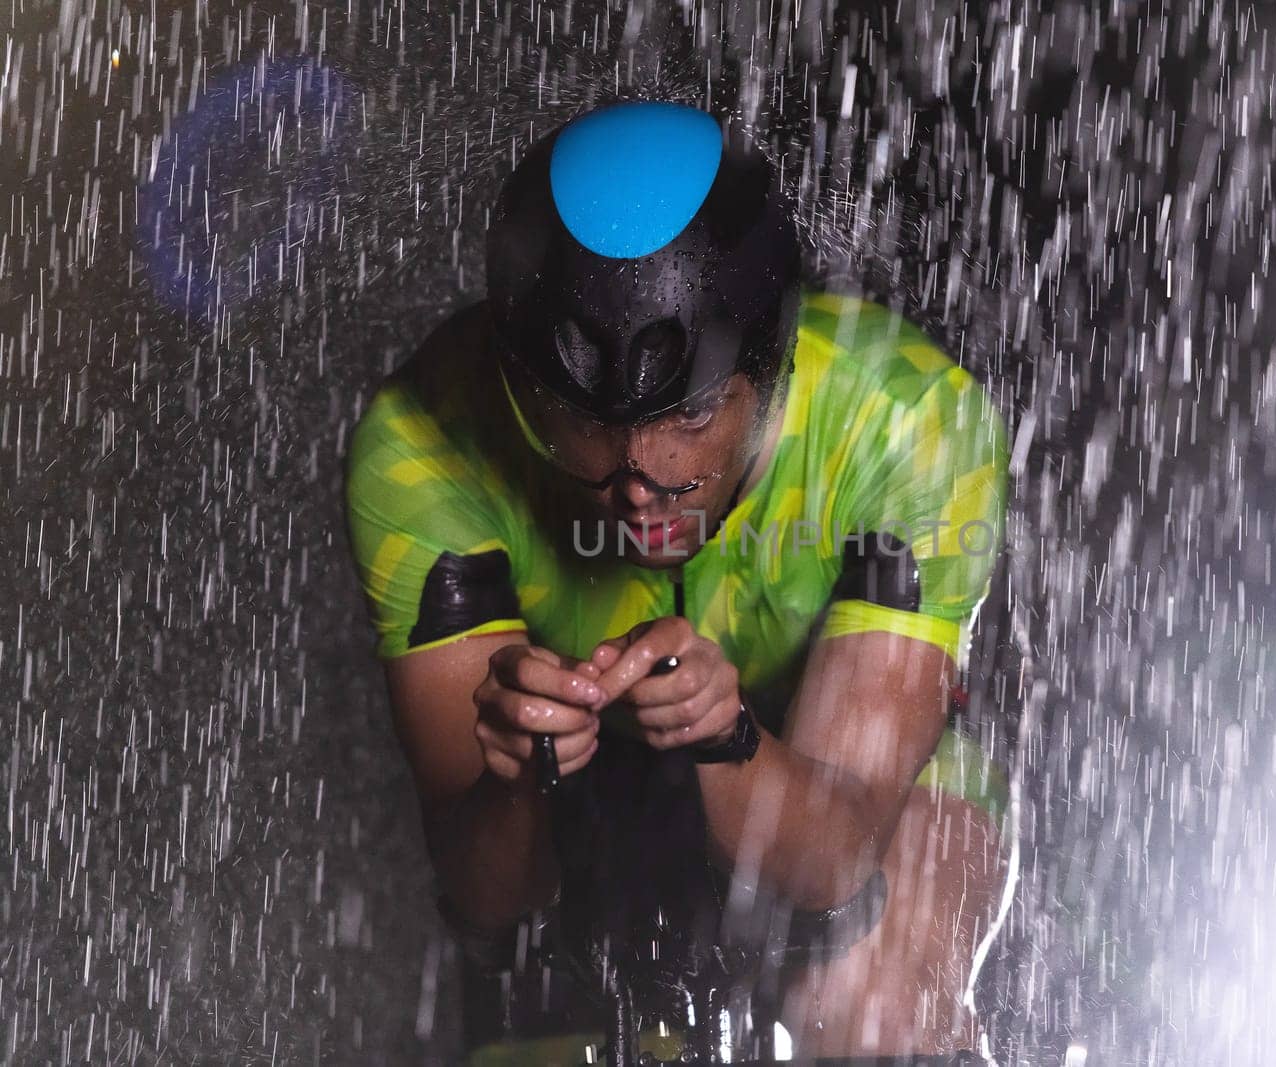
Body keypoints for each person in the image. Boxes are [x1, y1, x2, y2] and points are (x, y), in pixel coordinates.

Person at [343, 97, 1011, 1062]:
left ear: (769, 373)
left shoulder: (908, 420)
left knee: (873, 1009)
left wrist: (729, 735)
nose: (639, 476)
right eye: (582, 422)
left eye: (692, 414)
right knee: (533, 1019)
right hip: (596, 789)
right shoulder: (421, 442)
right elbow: (493, 905)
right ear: (521, 387)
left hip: (845, 782)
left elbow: (833, 864)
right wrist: (513, 772)